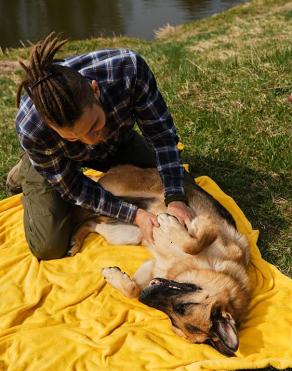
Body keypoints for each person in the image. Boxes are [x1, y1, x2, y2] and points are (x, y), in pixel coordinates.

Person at [7, 32, 194, 260]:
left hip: (115, 142)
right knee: (48, 246)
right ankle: (29, 171)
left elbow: (162, 137)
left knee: (184, 187)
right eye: (74, 136)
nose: (90, 139)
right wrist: (134, 215)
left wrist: (175, 198)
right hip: (59, 159)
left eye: (94, 124)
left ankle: (77, 140)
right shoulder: (31, 128)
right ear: (50, 126)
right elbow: (74, 188)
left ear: (95, 90)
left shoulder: (129, 71)